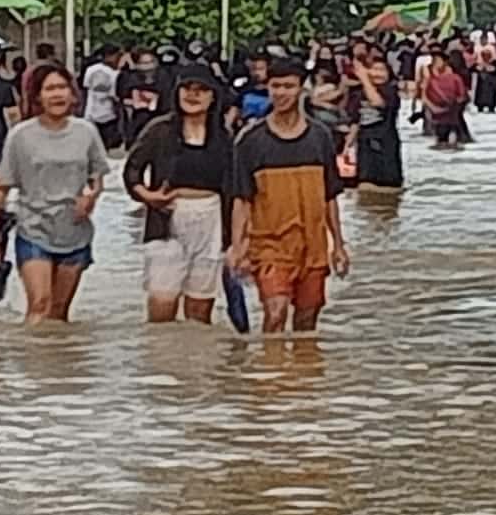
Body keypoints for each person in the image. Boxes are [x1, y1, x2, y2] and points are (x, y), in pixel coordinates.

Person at [229, 56, 350, 335]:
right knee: (275, 312)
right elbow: (242, 199)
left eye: (288, 86)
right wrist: (239, 247)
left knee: (307, 321)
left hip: (313, 245)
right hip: (269, 244)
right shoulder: (250, 140)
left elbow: (330, 196)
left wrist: (339, 245)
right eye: (275, 86)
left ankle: (299, 374)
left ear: (301, 89)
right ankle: (270, 374)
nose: (281, 93)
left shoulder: (320, 136)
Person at [0, 63, 110, 324]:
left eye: (63, 87)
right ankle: (32, 361)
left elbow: (97, 177)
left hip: (75, 231)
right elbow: (2, 184)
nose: (57, 95)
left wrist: (91, 196)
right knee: (40, 304)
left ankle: (57, 362)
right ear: (37, 96)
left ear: (73, 94)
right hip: (34, 228)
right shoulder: (21, 135)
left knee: (59, 313)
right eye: (50, 89)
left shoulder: (86, 131)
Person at [122, 64, 234, 325]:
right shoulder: (159, 130)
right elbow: (132, 171)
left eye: (201, 90)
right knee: (162, 307)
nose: (192, 95)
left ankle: (196, 363)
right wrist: (147, 197)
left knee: (200, 311)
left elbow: (233, 188)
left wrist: (236, 239)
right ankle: (163, 364)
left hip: (212, 220)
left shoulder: (224, 137)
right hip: (166, 219)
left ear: (213, 96)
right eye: (187, 88)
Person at [354, 53, 404, 190]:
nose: (377, 74)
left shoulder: (391, 91)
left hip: (385, 143)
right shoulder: (359, 93)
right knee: (364, 186)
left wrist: (364, 79)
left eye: (382, 70)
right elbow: (355, 120)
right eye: (374, 69)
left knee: (389, 188)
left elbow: (377, 102)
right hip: (365, 143)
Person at [83, 42, 126, 149]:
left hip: (91, 114)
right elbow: (115, 96)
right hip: (108, 116)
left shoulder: (91, 69)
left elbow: (86, 88)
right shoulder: (115, 73)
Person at [424, 53, 470, 149]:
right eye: (434, 62)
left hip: (452, 115)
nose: (435, 64)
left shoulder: (455, 78)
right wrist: (432, 107)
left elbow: (462, 96)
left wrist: (453, 107)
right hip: (438, 115)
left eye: (438, 61)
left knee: (454, 140)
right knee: (440, 140)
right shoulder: (431, 80)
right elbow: (425, 95)